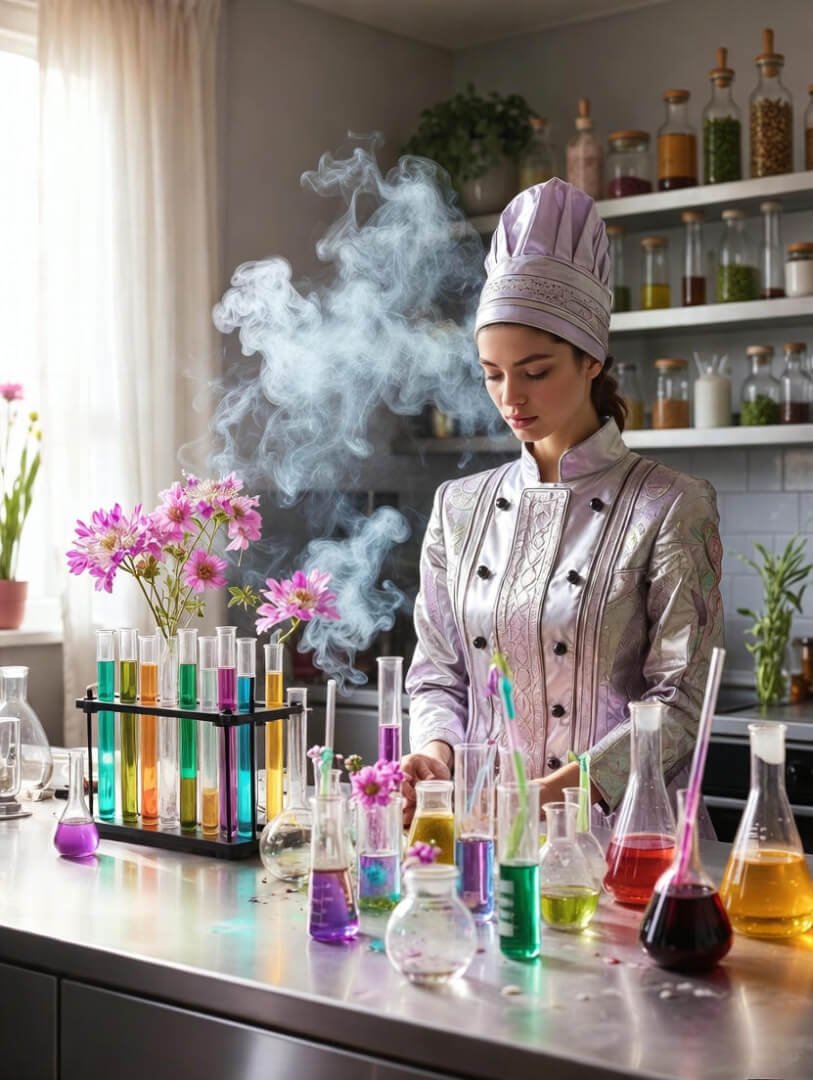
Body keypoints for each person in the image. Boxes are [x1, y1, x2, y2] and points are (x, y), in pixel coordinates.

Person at [402, 178, 723, 827]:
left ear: (591, 361)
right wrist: (433, 753)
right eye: (491, 373)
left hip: (620, 838)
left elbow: (683, 699)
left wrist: (562, 792)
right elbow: (436, 673)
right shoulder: (459, 508)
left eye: (535, 369)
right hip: (478, 832)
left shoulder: (669, 505)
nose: (509, 396)